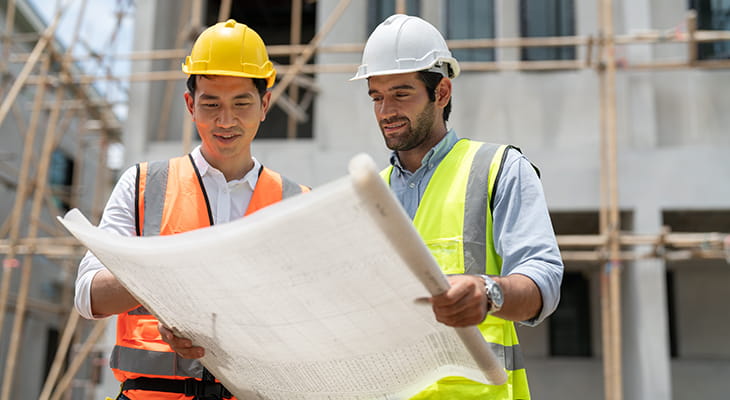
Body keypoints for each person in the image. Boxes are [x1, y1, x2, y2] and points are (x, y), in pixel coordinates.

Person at [74, 20, 309, 400]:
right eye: (211, 104)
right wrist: (162, 286)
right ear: (190, 104)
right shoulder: (143, 186)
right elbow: (88, 296)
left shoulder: (297, 202)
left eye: (242, 103)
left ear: (265, 104)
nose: (226, 120)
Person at [349, 14, 564, 399]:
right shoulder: (370, 196)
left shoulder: (498, 170)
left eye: (401, 94)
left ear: (442, 93)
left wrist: (488, 293)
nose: (385, 112)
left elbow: (543, 282)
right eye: (376, 97)